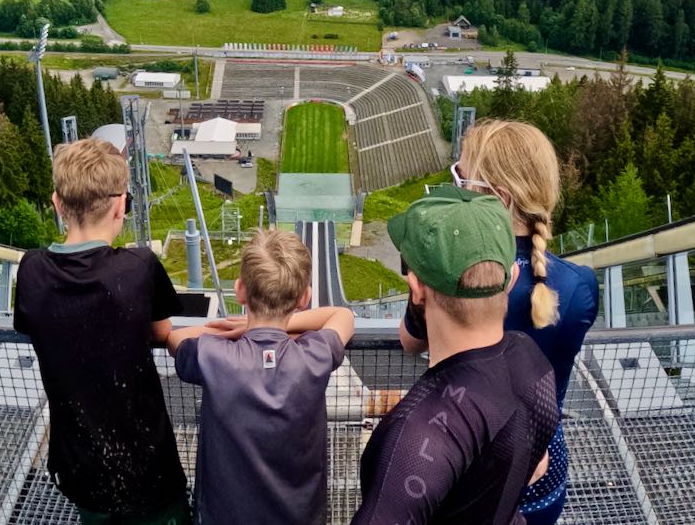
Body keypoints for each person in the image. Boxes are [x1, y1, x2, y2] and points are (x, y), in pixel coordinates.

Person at [400, 119, 600, 525]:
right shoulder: (579, 286)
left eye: (461, 176)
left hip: (464, 454)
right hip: (542, 462)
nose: (455, 185)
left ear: (496, 196)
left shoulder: (460, 274)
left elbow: (411, 342)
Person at [14, 138, 190, 525]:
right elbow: (160, 330)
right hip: (149, 467)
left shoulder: (31, 270)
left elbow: (35, 324)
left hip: (79, 465)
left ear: (58, 203)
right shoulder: (138, 266)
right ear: (120, 204)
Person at [353, 192, 558, 525]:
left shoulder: (413, 436)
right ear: (512, 278)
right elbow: (537, 463)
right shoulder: (532, 360)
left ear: (416, 287)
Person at [167, 229, 354, 525]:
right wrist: (286, 324)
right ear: (304, 297)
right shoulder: (312, 356)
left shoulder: (215, 356)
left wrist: (239, 329)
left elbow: (175, 339)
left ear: (240, 290)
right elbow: (343, 316)